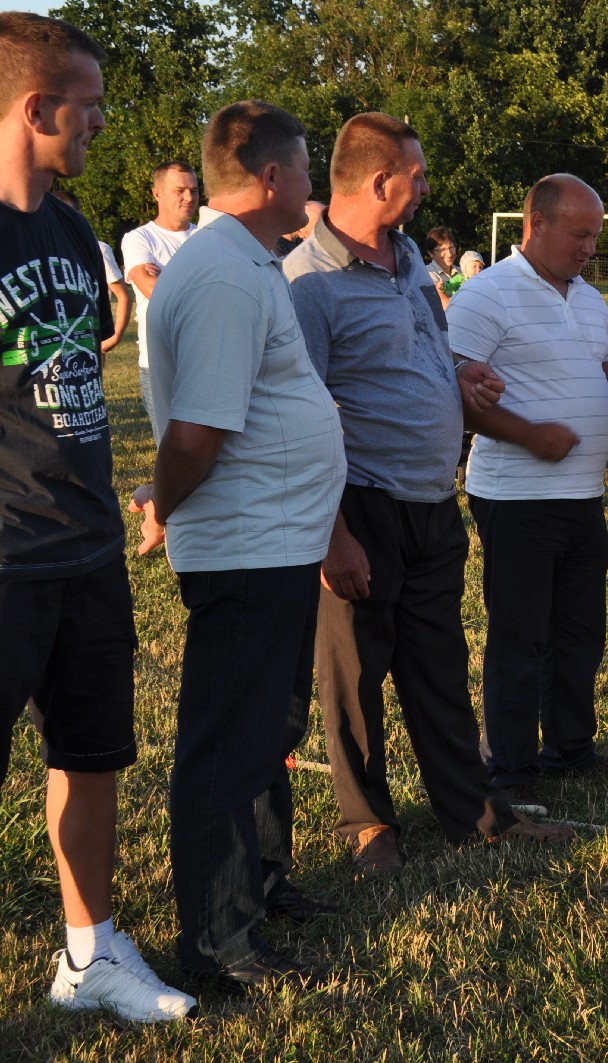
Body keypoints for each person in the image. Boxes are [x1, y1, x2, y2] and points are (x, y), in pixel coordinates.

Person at [283, 112, 573, 878]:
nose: (426, 189)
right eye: (417, 176)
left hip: (432, 502)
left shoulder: (409, 255)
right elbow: (298, 414)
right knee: (354, 676)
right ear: (380, 181)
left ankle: (471, 811)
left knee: (439, 664)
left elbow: (424, 347)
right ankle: (369, 825)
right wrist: (332, 535)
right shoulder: (308, 284)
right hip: (361, 503)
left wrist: (458, 376)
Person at [0, 10, 197, 1023]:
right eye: (90, 107)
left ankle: (89, 955)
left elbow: (72, 372)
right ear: (36, 109)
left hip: (86, 546)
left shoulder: (72, 229)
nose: (102, 124)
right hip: (5, 555)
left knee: (91, 753)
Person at [134, 99, 346, 994]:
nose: (314, 186)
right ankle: (219, 938)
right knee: (229, 741)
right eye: (307, 169)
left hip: (276, 539)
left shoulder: (248, 261)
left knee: (268, 727)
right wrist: (165, 504)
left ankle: (259, 884)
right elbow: (196, 434)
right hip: (245, 545)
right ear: (270, 178)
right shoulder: (224, 274)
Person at [447, 174, 608, 798]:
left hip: (582, 496)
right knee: (519, 636)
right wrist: (529, 435)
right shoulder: (486, 294)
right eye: (580, 235)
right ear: (536, 224)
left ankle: (571, 749)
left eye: (596, 236)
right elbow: (451, 394)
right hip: (515, 498)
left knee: (579, 632)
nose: (590, 248)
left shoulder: (586, 299)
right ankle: (510, 767)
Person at [120, 159, 197, 432]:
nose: (189, 197)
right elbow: (152, 290)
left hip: (203, 359)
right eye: (180, 191)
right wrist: (200, 282)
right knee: (170, 447)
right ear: (157, 193)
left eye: (194, 190)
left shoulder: (208, 236)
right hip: (159, 363)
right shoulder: (139, 239)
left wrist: (167, 275)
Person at [51, 187, 131, 352]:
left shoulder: (98, 249)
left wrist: (115, 336)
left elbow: (123, 296)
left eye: (65, 213)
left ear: (78, 215)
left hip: (89, 340)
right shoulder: (45, 250)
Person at [426, 225, 462, 307]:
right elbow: (444, 305)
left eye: (451, 247)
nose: (449, 254)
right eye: (443, 249)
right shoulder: (427, 274)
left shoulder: (463, 271)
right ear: (431, 253)